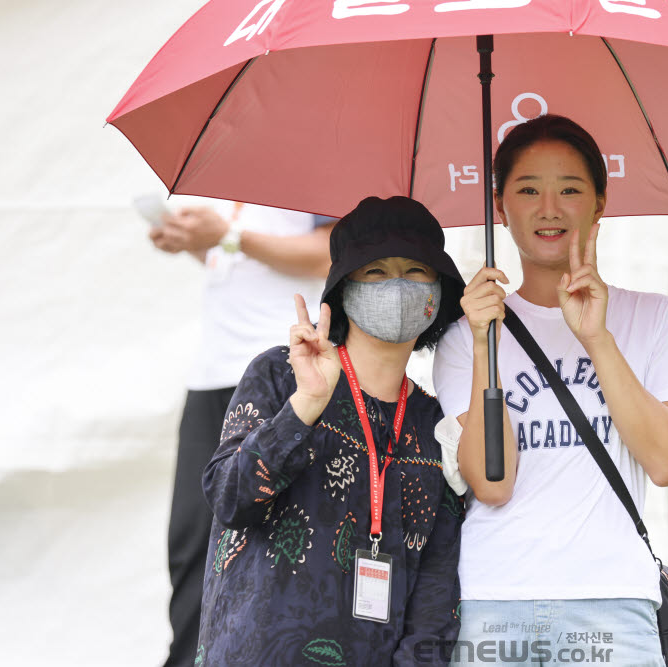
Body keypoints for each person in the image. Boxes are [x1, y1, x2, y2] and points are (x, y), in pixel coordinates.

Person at [432, 115, 668, 666]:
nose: (549, 208)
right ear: (499, 207)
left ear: (600, 203)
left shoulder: (657, 319)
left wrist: (597, 339)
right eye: (528, 190)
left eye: (570, 190)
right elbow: (492, 484)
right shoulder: (467, 334)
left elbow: (667, 462)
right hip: (496, 603)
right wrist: (486, 344)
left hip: (615, 604)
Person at [196, 196, 466, 666]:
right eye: (376, 272)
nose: (397, 285)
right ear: (343, 290)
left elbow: (436, 592)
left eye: (415, 271)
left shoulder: (434, 422)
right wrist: (306, 405)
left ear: (438, 293)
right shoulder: (281, 375)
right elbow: (229, 498)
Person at [148, 201, 336, 667]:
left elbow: (329, 255)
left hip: (283, 371)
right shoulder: (226, 153)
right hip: (212, 372)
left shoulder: (315, 154)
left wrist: (231, 235)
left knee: (275, 543)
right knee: (192, 541)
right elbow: (237, 259)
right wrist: (198, 242)